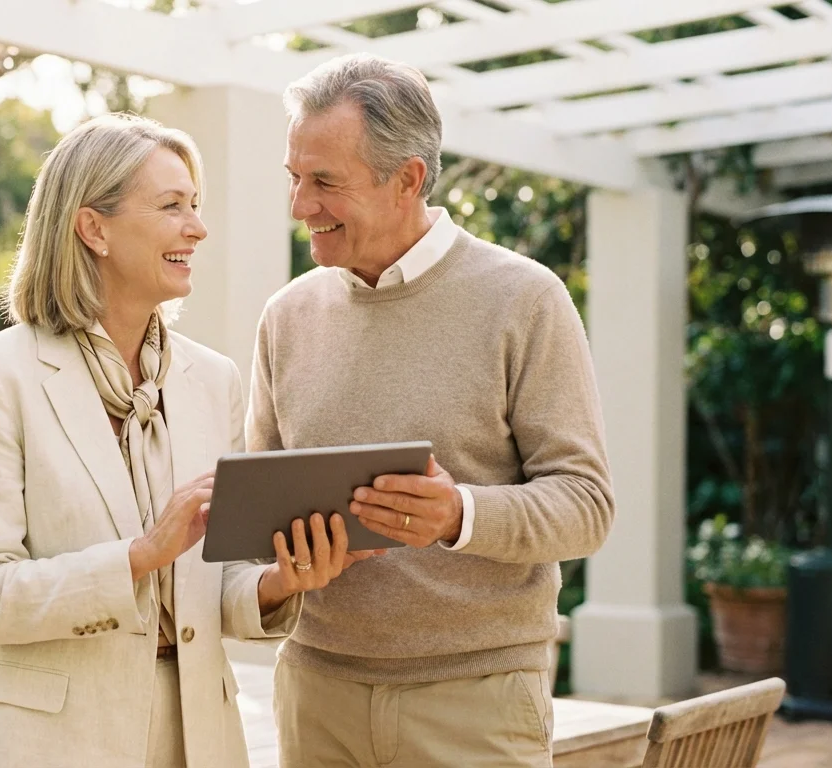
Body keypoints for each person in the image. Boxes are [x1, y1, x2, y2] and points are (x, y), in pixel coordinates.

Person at [0, 113, 368, 768]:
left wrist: (281, 581)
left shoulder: (212, 379)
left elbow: (214, 586)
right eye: (172, 206)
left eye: (194, 206)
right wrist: (140, 555)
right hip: (47, 747)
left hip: (198, 738)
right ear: (93, 227)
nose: (196, 228)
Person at [250, 54, 616, 767]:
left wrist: (458, 516)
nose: (300, 206)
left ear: (407, 180)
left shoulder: (524, 300)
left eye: (326, 182)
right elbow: (260, 514)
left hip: (475, 701)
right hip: (317, 695)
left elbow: (586, 505)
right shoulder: (287, 316)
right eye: (295, 178)